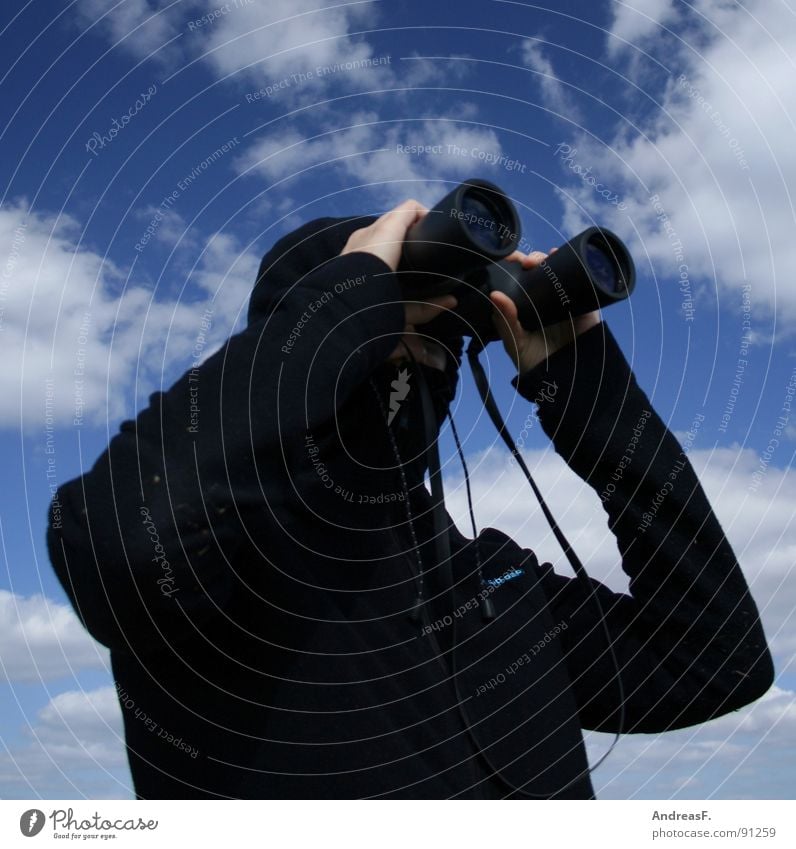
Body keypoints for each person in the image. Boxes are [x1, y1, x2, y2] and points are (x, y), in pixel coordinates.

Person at [47, 200, 774, 799]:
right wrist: (350, 298)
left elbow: (718, 662)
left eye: (438, 334)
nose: (419, 347)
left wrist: (588, 390)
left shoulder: (496, 582)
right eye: (380, 320)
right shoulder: (225, 566)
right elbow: (124, 543)